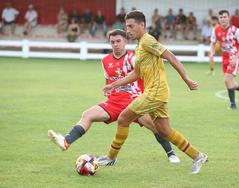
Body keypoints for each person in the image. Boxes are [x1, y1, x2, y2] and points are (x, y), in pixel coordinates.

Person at [97, 11, 208, 174]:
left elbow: (171, 57)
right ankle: (198, 156)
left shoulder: (148, 41)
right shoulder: (140, 46)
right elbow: (136, 74)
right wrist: (113, 85)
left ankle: (111, 157)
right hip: (156, 93)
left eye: (131, 26)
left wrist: (186, 79)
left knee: (123, 118)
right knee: (164, 130)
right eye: (126, 26)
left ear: (142, 25)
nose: (128, 30)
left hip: (155, 93)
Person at [48, 29, 180, 164]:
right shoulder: (105, 60)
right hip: (115, 103)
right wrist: (108, 90)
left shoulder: (134, 58)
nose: (115, 44)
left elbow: (140, 74)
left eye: (118, 41)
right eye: (112, 42)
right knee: (88, 114)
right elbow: (109, 80)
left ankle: (171, 154)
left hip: (135, 102)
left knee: (156, 127)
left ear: (125, 42)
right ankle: (65, 142)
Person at [209, 10, 239, 109]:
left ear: (228, 18)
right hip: (224, 58)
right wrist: (212, 52)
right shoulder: (216, 30)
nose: (223, 19)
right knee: (229, 82)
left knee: (227, 79)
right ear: (218, 19)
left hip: (234, 57)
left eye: (225, 17)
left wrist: (236, 57)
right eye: (221, 17)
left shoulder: (235, 30)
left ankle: (233, 104)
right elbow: (212, 43)